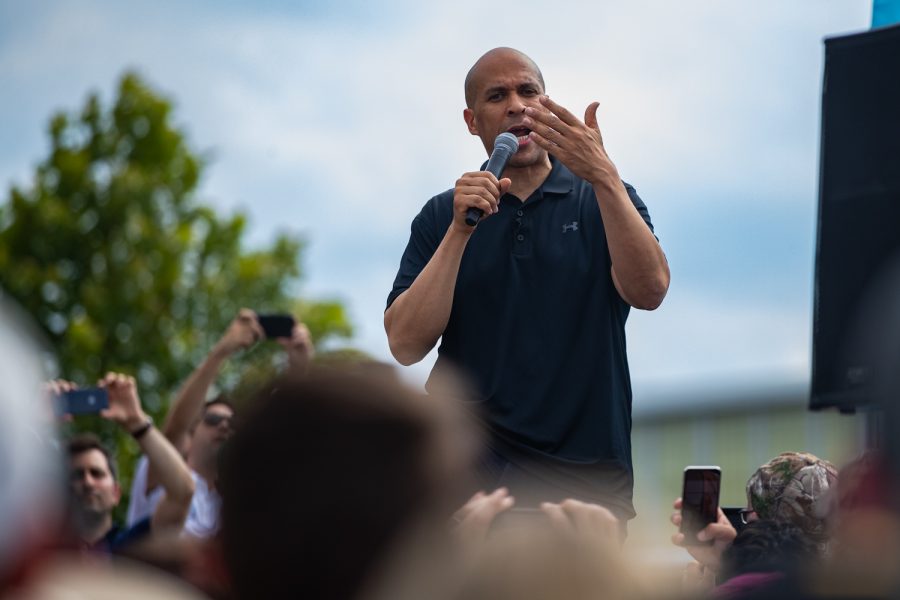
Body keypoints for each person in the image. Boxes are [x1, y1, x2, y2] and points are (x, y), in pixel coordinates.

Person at [384, 47, 669, 521]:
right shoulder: (444, 214)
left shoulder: (602, 196)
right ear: (472, 122)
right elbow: (405, 344)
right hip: (469, 484)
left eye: (528, 91)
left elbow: (651, 290)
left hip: (585, 483)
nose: (517, 104)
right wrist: (460, 231)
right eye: (497, 96)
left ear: (546, 102)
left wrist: (603, 175)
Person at [126, 309, 314, 538]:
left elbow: (287, 448)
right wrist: (223, 350)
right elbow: (177, 427)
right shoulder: (161, 474)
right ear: (191, 435)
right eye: (213, 420)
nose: (224, 427)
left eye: (231, 423)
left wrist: (299, 372)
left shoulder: (235, 503)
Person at [64, 373, 194, 553]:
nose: (88, 482)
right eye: (77, 475)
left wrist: (136, 422)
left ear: (116, 493)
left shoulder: (137, 547)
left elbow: (182, 492)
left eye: (97, 473)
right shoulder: (41, 557)